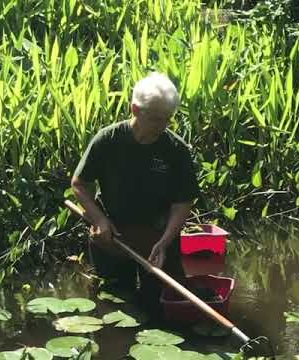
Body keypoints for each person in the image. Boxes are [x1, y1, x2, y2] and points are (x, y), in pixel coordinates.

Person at [71, 72, 200, 317]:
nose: (162, 126)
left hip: (159, 238)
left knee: (163, 306)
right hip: (114, 238)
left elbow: (183, 202)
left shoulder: (176, 150)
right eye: (155, 119)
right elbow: (80, 183)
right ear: (135, 109)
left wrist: (165, 241)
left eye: (167, 120)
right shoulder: (108, 140)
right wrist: (99, 219)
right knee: (115, 305)